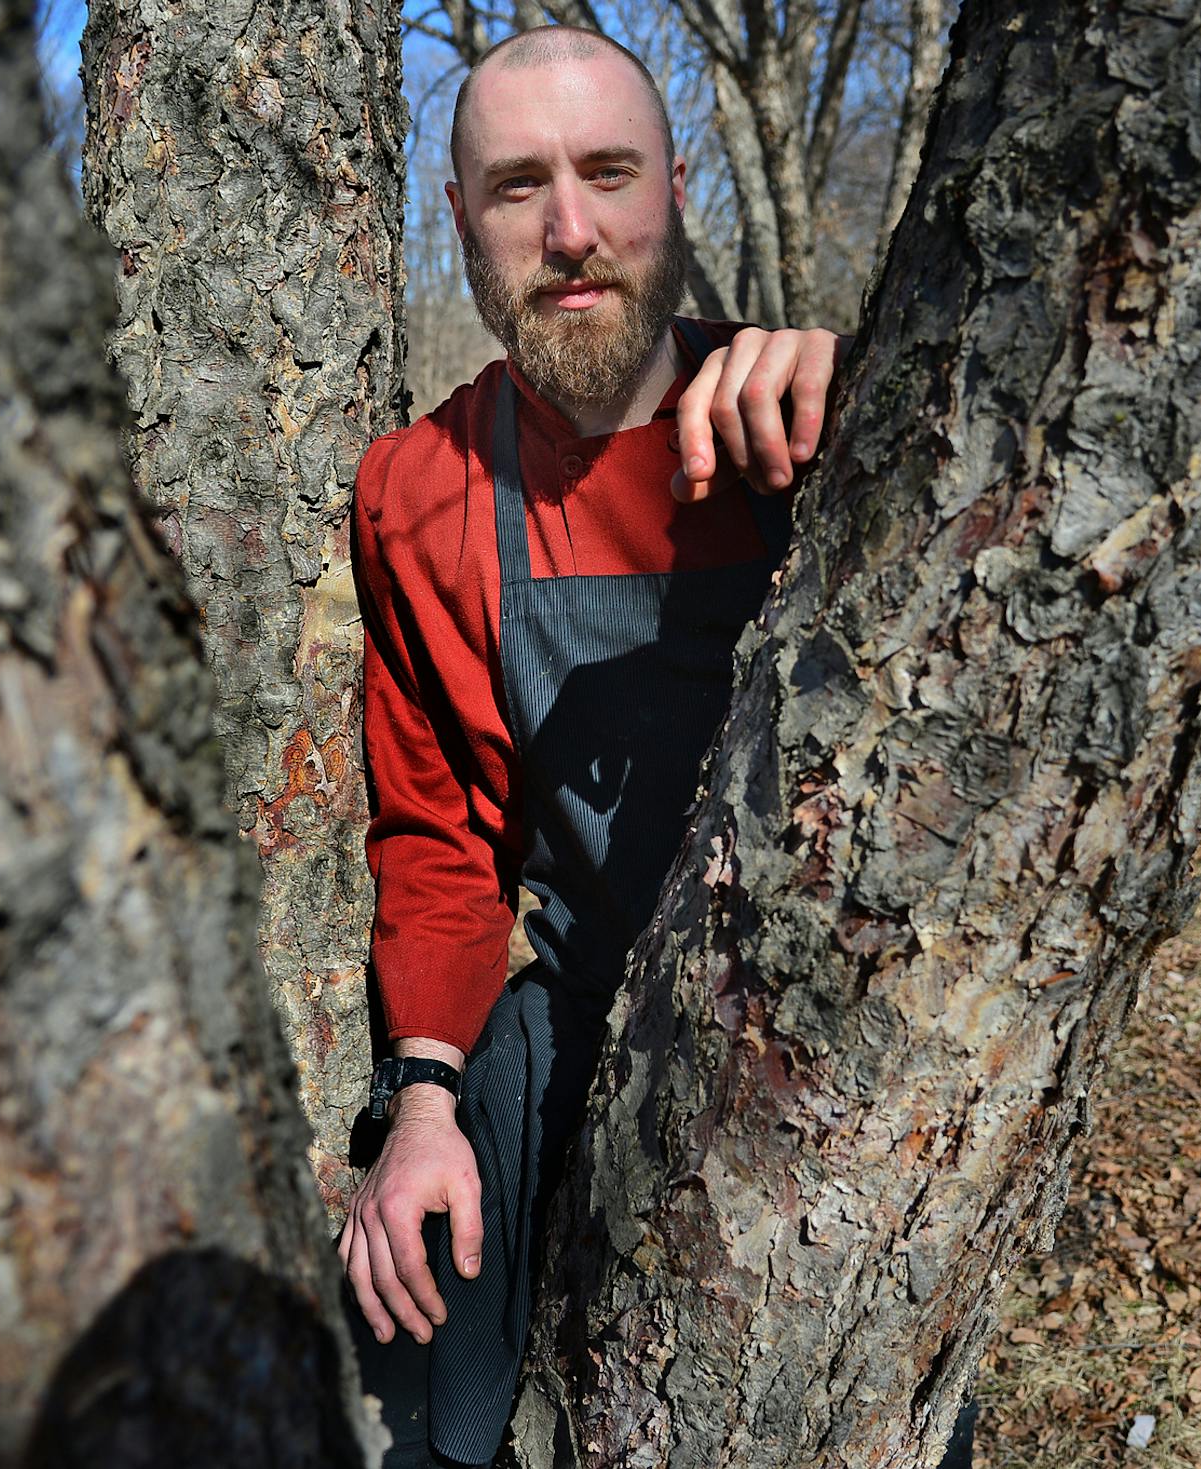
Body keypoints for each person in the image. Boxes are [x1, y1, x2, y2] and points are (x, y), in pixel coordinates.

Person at [341, 24, 849, 1466]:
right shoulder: (420, 494)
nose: (570, 231)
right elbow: (437, 839)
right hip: (590, 1063)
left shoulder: (813, 430)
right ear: (460, 220)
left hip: (833, 1077)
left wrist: (862, 390)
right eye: (517, 187)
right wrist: (424, 1099)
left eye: (608, 172)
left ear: (676, 189)